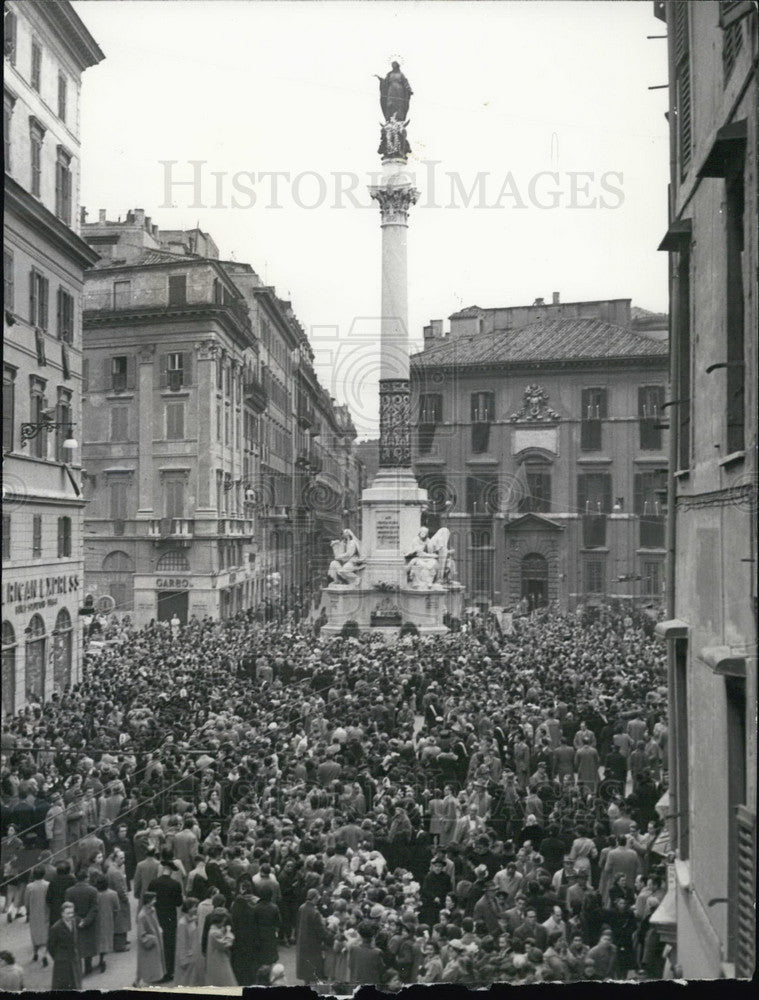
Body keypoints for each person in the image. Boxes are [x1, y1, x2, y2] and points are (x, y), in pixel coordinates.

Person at [148, 854, 184, 981]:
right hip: (170, 916)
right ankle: (169, 971)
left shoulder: (153, 883)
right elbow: (179, 903)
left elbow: (148, 899)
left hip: (156, 915)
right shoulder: (175, 885)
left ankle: (157, 971)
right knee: (169, 943)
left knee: (158, 941)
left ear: (163, 869)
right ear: (171, 871)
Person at [64, 868, 99, 976]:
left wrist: (78, 919)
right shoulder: (93, 890)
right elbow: (95, 908)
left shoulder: (69, 891)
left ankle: (78, 969)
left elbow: (68, 908)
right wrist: (86, 920)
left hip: (75, 921)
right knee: (89, 943)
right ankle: (88, 965)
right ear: (86, 878)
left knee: (77, 944)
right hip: (89, 921)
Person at [296, 887, 331, 984]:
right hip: (313, 943)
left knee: (305, 966)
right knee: (314, 968)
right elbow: (321, 931)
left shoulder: (301, 907)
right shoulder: (315, 912)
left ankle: (306, 984)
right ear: (314, 898)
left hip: (302, 940)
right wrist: (329, 938)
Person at [48, 900, 82, 990]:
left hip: (74, 959)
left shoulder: (74, 922)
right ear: (62, 914)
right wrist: (59, 957)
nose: (71, 915)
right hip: (62, 962)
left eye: (72, 913)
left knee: (76, 984)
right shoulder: (56, 928)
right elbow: (51, 946)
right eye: (68, 913)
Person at [135, 891, 166, 987]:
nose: (155, 901)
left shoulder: (152, 910)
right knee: (145, 963)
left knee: (148, 963)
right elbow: (141, 934)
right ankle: (142, 982)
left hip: (155, 939)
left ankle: (139, 981)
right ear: (149, 901)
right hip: (149, 942)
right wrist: (152, 939)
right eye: (154, 899)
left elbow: (156, 923)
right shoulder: (142, 915)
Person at [203, 908, 236, 987]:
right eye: (223, 921)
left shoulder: (214, 929)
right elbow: (226, 944)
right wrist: (228, 932)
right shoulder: (215, 933)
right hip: (219, 961)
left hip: (216, 959)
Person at [24, 865, 50, 966]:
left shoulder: (29, 886)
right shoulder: (48, 885)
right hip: (45, 912)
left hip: (34, 913)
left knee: (34, 934)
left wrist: (27, 911)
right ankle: (44, 955)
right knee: (45, 934)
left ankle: (35, 953)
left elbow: (26, 901)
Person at [93, 872, 119, 973]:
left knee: (98, 938)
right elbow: (116, 909)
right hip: (108, 919)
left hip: (96, 919)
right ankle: (103, 959)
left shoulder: (94, 893)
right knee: (106, 939)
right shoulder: (113, 894)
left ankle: (95, 958)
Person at [174, 898, 199, 987]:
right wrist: (183, 960)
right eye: (194, 907)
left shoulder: (193, 919)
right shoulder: (182, 923)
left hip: (192, 956)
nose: (196, 909)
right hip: (186, 958)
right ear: (188, 909)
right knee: (185, 982)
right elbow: (181, 943)